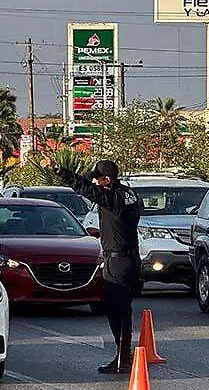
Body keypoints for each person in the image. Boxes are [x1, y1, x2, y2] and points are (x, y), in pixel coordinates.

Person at [39, 154, 142, 373]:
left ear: (107, 179)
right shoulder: (129, 194)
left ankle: (123, 358)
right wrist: (93, 176)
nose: (94, 181)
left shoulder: (112, 198)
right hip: (130, 258)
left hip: (118, 261)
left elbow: (84, 188)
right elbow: (89, 185)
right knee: (124, 309)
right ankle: (124, 354)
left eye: (98, 178)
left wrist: (59, 170)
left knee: (117, 310)